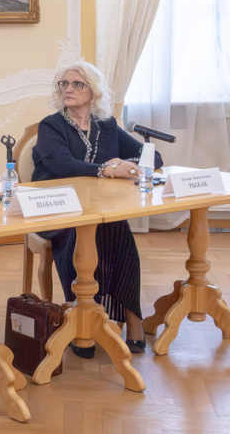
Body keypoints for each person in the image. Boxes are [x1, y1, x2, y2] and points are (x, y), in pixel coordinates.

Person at [30, 59, 150, 353]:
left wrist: (125, 162)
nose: (68, 89)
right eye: (64, 84)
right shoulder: (51, 125)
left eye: (77, 84)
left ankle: (131, 316)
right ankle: (80, 318)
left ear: (93, 91)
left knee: (117, 229)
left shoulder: (106, 125)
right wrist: (107, 169)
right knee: (78, 233)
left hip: (96, 208)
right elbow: (63, 165)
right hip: (56, 209)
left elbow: (150, 157)